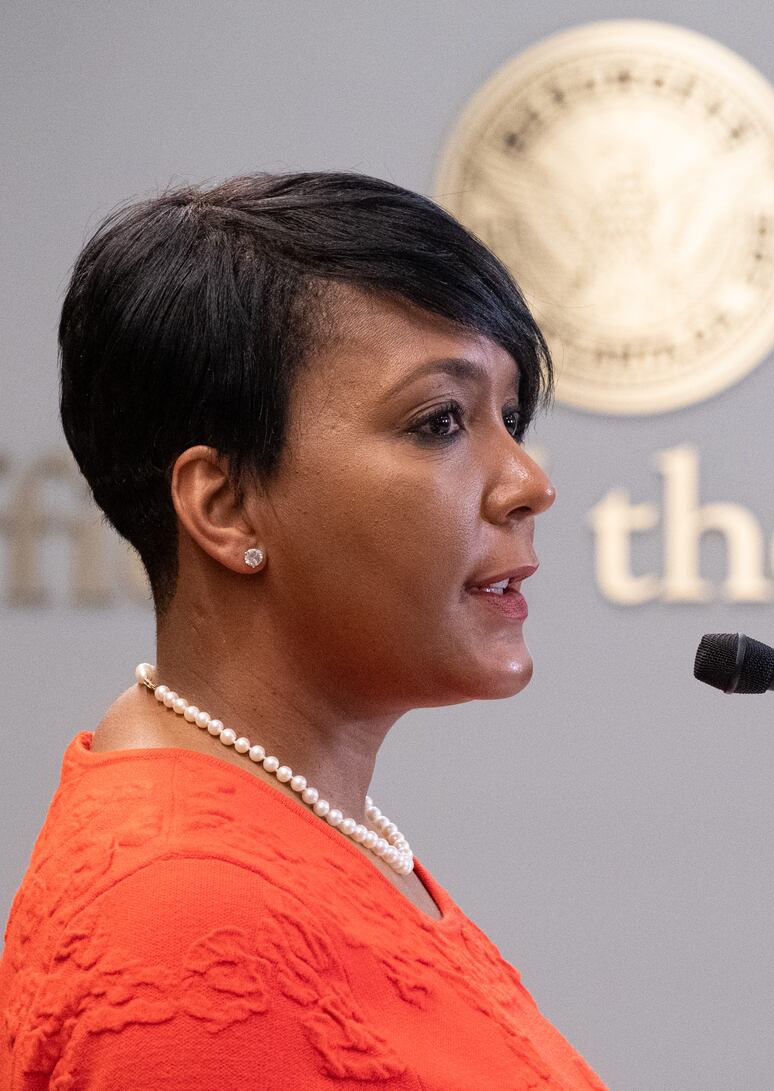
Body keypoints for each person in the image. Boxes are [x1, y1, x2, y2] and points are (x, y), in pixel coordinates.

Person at [0, 172, 607, 1089]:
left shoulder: (290, 833)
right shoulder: (186, 931)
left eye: (509, 417)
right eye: (441, 420)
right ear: (228, 505)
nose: (529, 480)